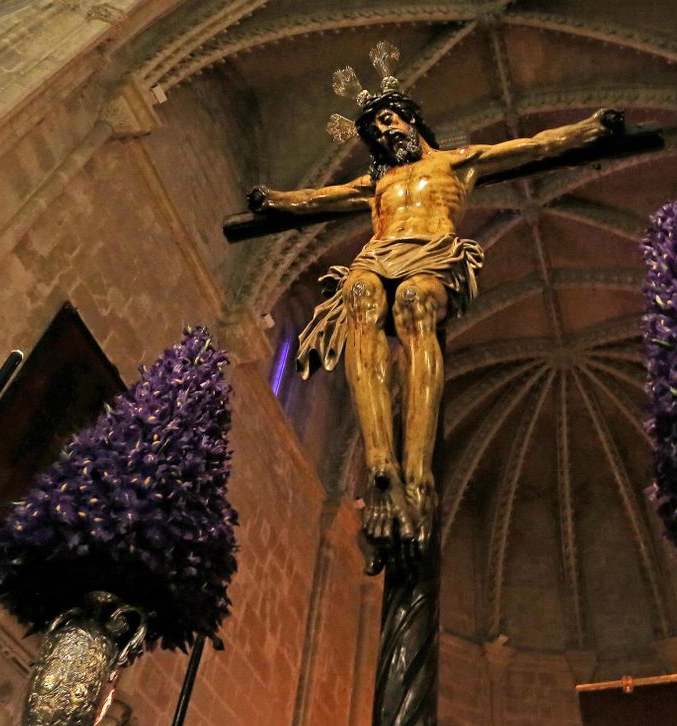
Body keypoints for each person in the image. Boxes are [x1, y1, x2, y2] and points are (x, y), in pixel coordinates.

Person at [249, 42, 622, 551]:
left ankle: (418, 470)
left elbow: (535, 146)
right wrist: (274, 201)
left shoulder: (456, 161)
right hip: (378, 254)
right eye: (375, 129)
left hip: (431, 252)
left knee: (414, 307)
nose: (384, 132)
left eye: (389, 120)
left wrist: (590, 128)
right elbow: (315, 198)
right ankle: (381, 462)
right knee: (358, 296)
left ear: (410, 120)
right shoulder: (375, 182)